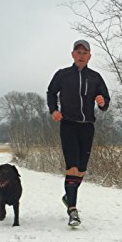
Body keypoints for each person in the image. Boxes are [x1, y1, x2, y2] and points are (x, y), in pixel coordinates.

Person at [47, 39, 110, 227]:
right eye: (78, 52)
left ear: (89, 56)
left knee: (81, 169)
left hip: (87, 126)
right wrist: (53, 110)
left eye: (85, 53)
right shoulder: (63, 75)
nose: (81, 56)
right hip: (68, 125)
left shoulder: (95, 77)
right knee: (72, 167)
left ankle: (69, 196)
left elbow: (105, 100)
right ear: (73, 55)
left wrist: (102, 102)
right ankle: (72, 210)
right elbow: (51, 92)